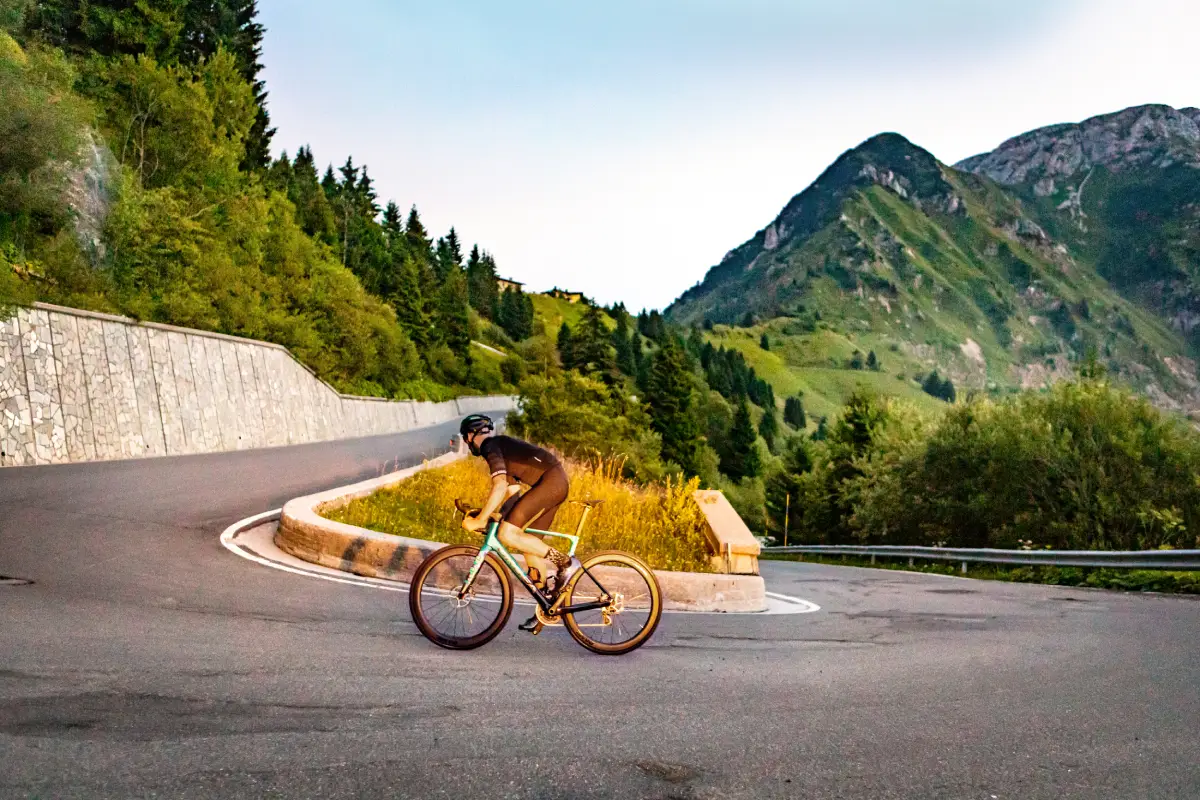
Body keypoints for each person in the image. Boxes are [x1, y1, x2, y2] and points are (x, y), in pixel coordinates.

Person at [458, 414, 573, 630]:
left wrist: (480, 519)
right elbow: (511, 493)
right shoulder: (501, 447)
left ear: (470, 436)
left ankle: (564, 562)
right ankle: (548, 608)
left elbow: (499, 486)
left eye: (466, 438)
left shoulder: (490, 447)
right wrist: (488, 517)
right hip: (554, 481)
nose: (467, 442)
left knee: (507, 534)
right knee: (526, 543)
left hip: (552, 482)